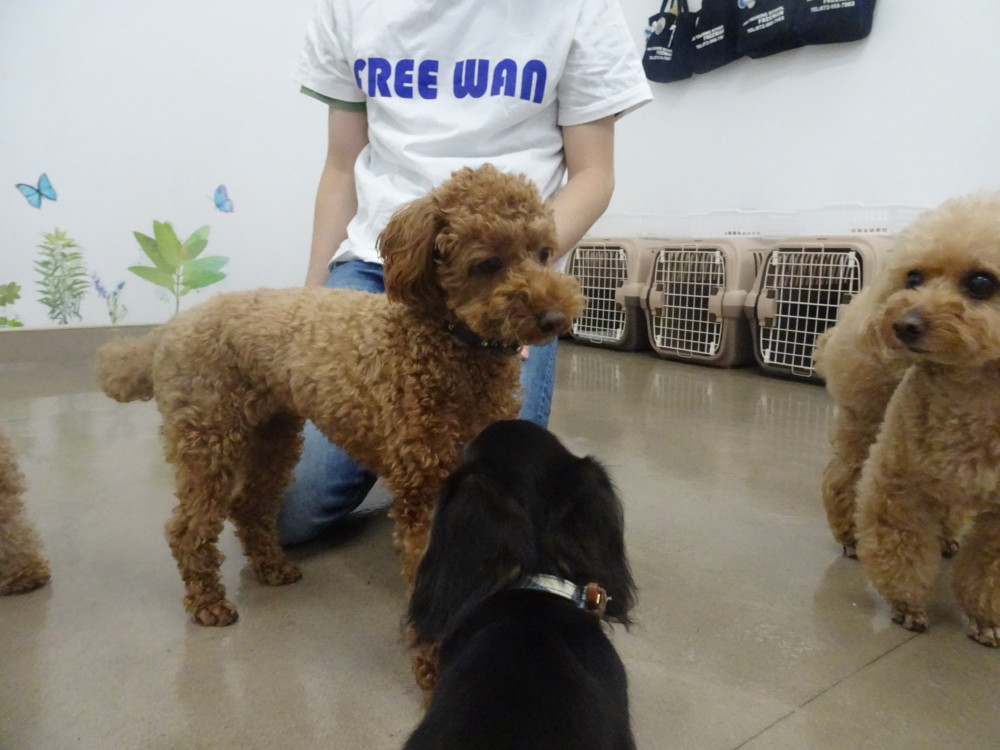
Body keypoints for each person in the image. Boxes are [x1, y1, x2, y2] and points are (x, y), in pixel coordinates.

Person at [280, 0, 652, 545]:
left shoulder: (578, 8)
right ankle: (399, 446)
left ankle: (414, 451)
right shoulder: (351, 7)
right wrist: (309, 301)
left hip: (504, 272)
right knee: (292, 511)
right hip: (376, 268)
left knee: (494, 500)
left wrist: (514, 275)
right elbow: (341, 166)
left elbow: (594, 171)